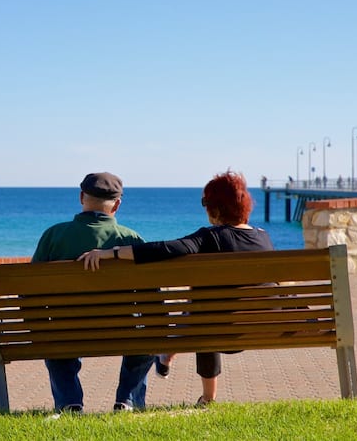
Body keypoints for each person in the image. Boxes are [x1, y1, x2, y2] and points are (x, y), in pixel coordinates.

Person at [77, 170, 274, 408]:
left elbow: (164, 249)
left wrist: (113, 252)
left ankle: (193, 380)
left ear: (216, 208)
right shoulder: (263, 238)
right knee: (208, 304)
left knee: (207, 311)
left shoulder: (209, 237)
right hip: (259, 328)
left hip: (214, 331)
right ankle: (187, 375)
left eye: (206, 203)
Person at [31, 172, 154, 413]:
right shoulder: (131, 240)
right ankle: (127, 401)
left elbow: (32, 289)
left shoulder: (53, 236)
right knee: (146, 341)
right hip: (122, 330)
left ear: (81, 198)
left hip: (66, 330)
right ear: (117, 204)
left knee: (56, 341)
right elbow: (152, 298)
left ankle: (69, 402)